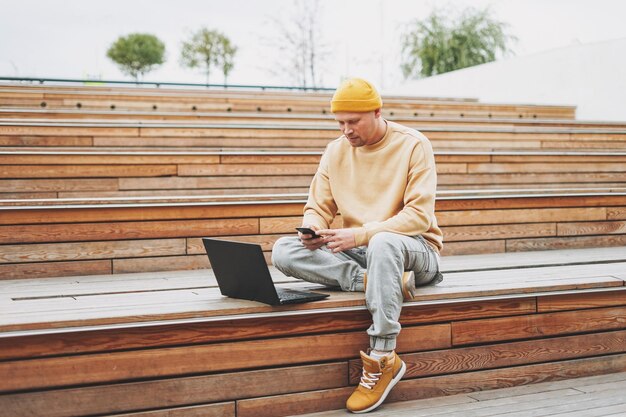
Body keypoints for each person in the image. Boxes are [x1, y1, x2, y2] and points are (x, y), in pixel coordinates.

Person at [271, 77, 443, 413]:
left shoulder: (413, 144)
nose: (346, 130)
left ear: (377, 112)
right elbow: (318, 206)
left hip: (414, 251)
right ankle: (371, 282)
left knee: (383, 244)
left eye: (353, 122)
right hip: (361, 254)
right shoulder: (335, 151)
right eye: (340, 123)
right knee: (283, 249)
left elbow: (419, 217)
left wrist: (363, 234)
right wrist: (314, 228)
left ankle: (383, 356)